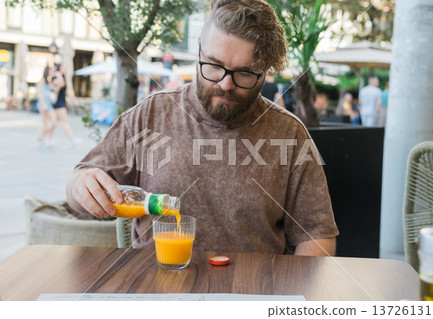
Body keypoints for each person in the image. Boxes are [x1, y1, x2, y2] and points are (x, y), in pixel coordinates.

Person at [66, 0, 338, 256]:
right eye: (214, 65)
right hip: (157, 291)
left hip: (253, 294)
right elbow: (77, 196)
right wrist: (81, 185)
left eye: (244, 73)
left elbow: (315, 235)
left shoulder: (290, 134)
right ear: (199, 49)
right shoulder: (149, 116)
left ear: (266, 71)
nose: (225, 84)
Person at [51, 64, 82, 145]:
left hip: (60, 103)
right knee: (64, 123)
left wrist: (74, 100)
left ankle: (46, 138)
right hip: (59, 104)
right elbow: (55, 88)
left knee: (54, 123)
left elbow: (68, 92)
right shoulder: (57, 76)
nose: (64, 69)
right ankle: (72, 140)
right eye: (62, 68)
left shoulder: (61, 78)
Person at [36, 65, 57, 149]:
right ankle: (42, 141)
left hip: (49, 104)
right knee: (45, 123)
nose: (52, 72)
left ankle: (42, 136)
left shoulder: (49, 81)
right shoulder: (43, 80)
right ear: (47, 71)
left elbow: (54, 91)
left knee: (54, 122)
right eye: (51, 71)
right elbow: (40, 93)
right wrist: (44, 104)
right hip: (43, 105)